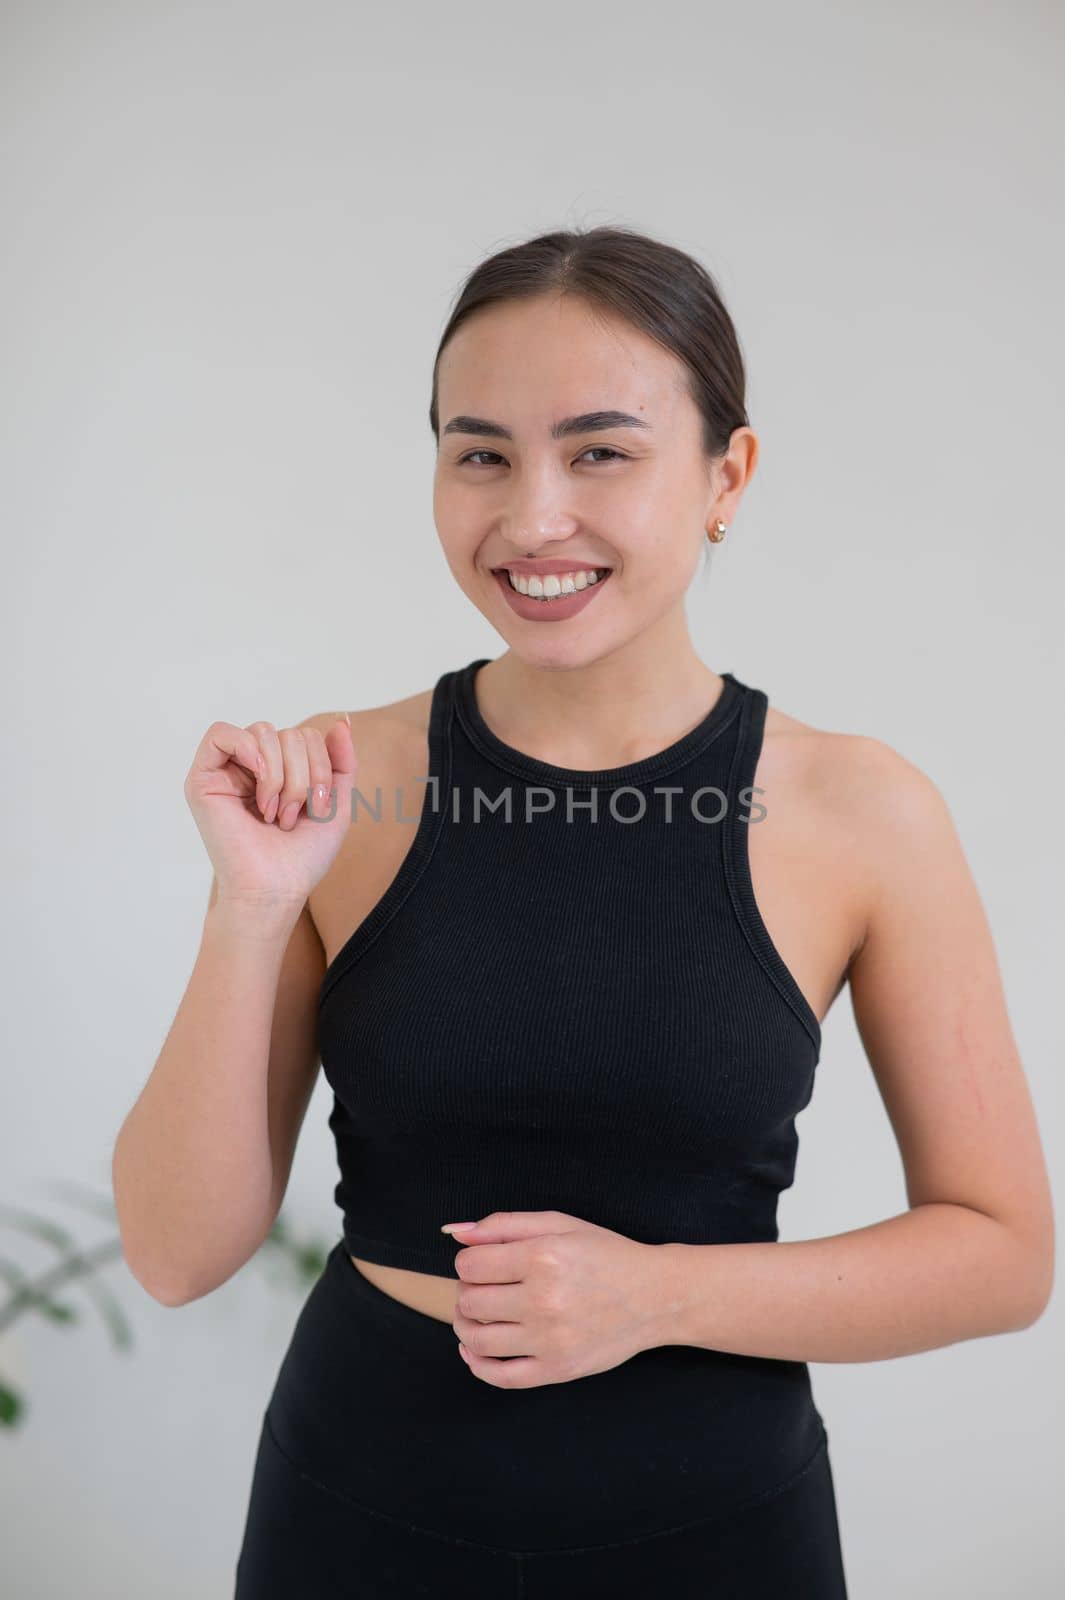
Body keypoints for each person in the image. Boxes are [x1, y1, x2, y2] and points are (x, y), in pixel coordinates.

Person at [113, 225, 1055, 1599]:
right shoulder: (339, 781)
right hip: (359, 1512)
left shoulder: (862, 813)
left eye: (600, 451)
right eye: (479, 452)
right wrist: (253, 910)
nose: (531, 516)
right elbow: (173, 1253)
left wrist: (655, 1294)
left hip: (717, 1529)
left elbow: (1002, 1255)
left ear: (725, 474)